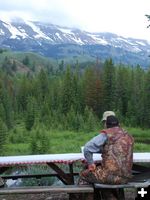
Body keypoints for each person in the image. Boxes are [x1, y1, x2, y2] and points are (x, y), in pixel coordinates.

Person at [80, 111, 134, 186]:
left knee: (84, 174)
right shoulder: (128, 136)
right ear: (119, 124)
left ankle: (81, 197)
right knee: (101, 178)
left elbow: (87, 148)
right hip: (126, 177)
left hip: (110, 177)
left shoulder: (106, 135)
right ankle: (110, 196)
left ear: (106, 124)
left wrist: (91, 164)